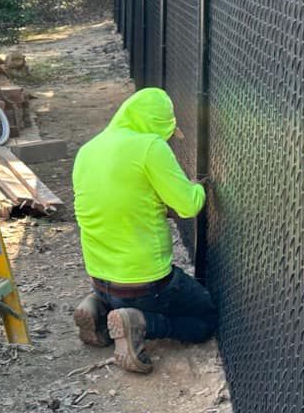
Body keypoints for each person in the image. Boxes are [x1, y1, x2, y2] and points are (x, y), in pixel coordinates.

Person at [71, 87, 217, 373]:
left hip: (99, 276)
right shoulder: (151, 146)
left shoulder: (87, 151)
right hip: (145, 284)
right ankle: (141, 323)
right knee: (204, 319)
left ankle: (98, 306)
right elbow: (187, 206)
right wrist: (199, 187)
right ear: (159, 126)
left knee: (115, 289)